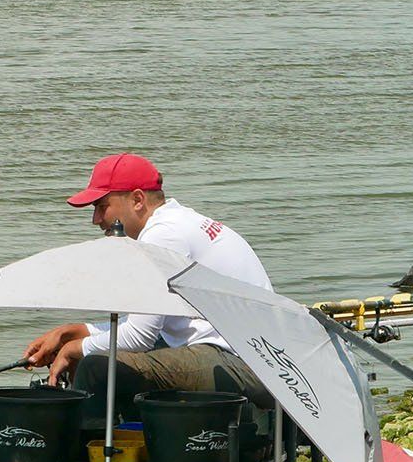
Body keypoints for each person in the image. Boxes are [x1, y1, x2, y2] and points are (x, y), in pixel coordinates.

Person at [23, 153, 272, 420]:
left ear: (138, 200)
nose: (95, 219)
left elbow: (140, 338)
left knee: (96, 366)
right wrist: (70, 333)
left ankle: (88, 453)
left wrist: (76, 348)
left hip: (244, 364)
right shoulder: (179, 221)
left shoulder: (162, 235)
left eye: (102, 206)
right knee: (101, 355)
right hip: (256, 357)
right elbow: (146, 328)